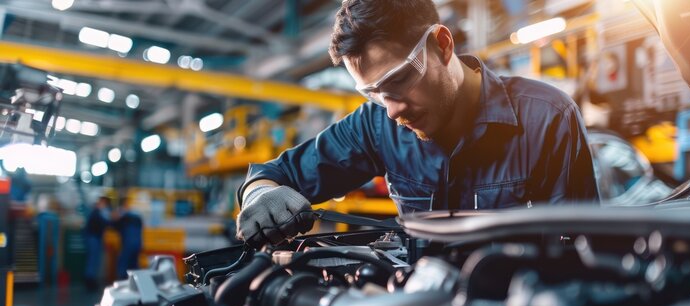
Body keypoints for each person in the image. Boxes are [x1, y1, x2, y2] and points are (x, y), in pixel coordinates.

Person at [237, 0, 600, 247]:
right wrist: (262, 194)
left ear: (442, 45)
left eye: (397, 81)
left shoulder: (546, 118)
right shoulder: (376, 125)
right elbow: (273, 175)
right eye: (374, 92)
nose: (392, 110)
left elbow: (585, 255)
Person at [111, 197, 143, 280]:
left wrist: (116, 217)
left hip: (128, 245)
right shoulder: (136, 216)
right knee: (134, 265)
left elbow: (114, 225)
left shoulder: (123, 217)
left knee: (123, 265)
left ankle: (123, 282)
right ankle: (135, 283)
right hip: (137, 244)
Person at [83, 196, 110, 290]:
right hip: (93, 238)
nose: (104, 205)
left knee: (94, 260)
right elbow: (104, 223)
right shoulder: (96, 212)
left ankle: (91, 280)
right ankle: (90, 281)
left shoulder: (97, 212)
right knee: (93, 260)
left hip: (95, 238)